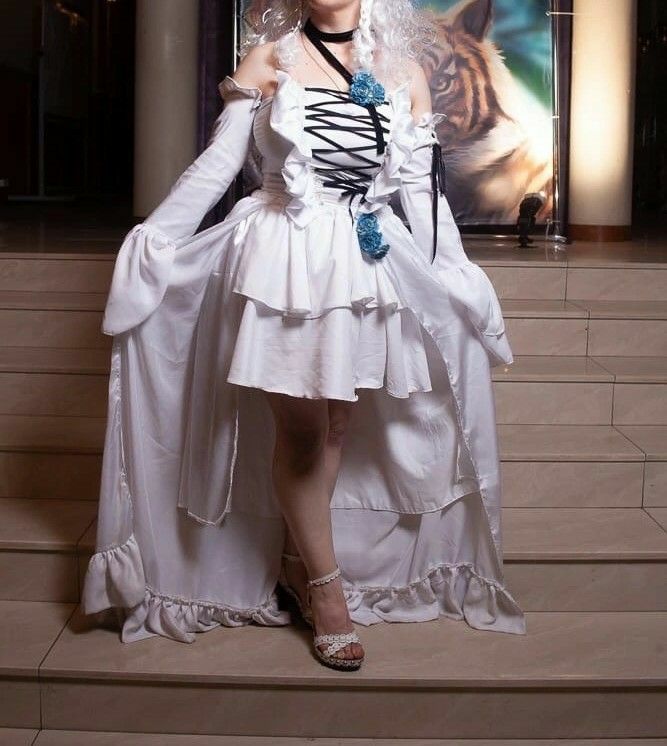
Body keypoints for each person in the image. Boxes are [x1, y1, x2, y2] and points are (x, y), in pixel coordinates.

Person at [82, 0, 527, 673]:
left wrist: (455, 275)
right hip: (282, 260)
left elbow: (420, 193)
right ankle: (327, 592)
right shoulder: (268, 58)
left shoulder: (403, 71)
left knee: (337, 426)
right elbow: (217, 165)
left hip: (363, 264)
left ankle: (296, 560)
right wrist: (157, 239)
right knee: (302, 431)